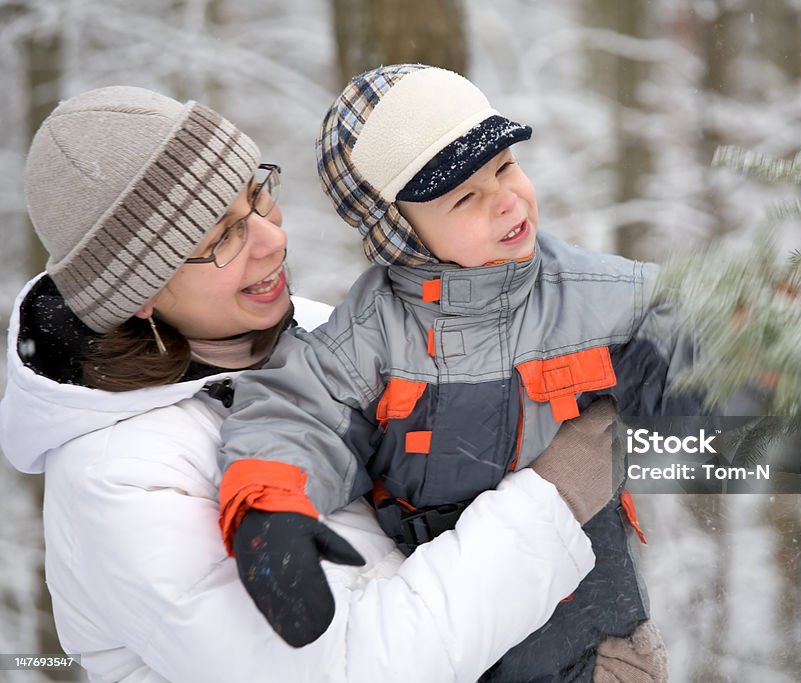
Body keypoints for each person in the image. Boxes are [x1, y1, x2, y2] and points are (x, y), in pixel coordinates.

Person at [0, 85, 648, 682]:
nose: (271, 238)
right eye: (223, 236)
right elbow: (353, 668)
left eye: (257, 196)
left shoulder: (302, 328)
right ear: (137, 294)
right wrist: (557, 493)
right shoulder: (119, 479)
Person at [218, 64, 692, 682]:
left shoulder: (595, 298)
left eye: (505, 167)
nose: (505, 199)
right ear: (399, 233)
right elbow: (297, 413)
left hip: (600, 645)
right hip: (462, 651)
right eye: (464, 196)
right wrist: (270, 511)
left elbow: (695, 319)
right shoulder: (373, 337)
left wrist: (678, 366)